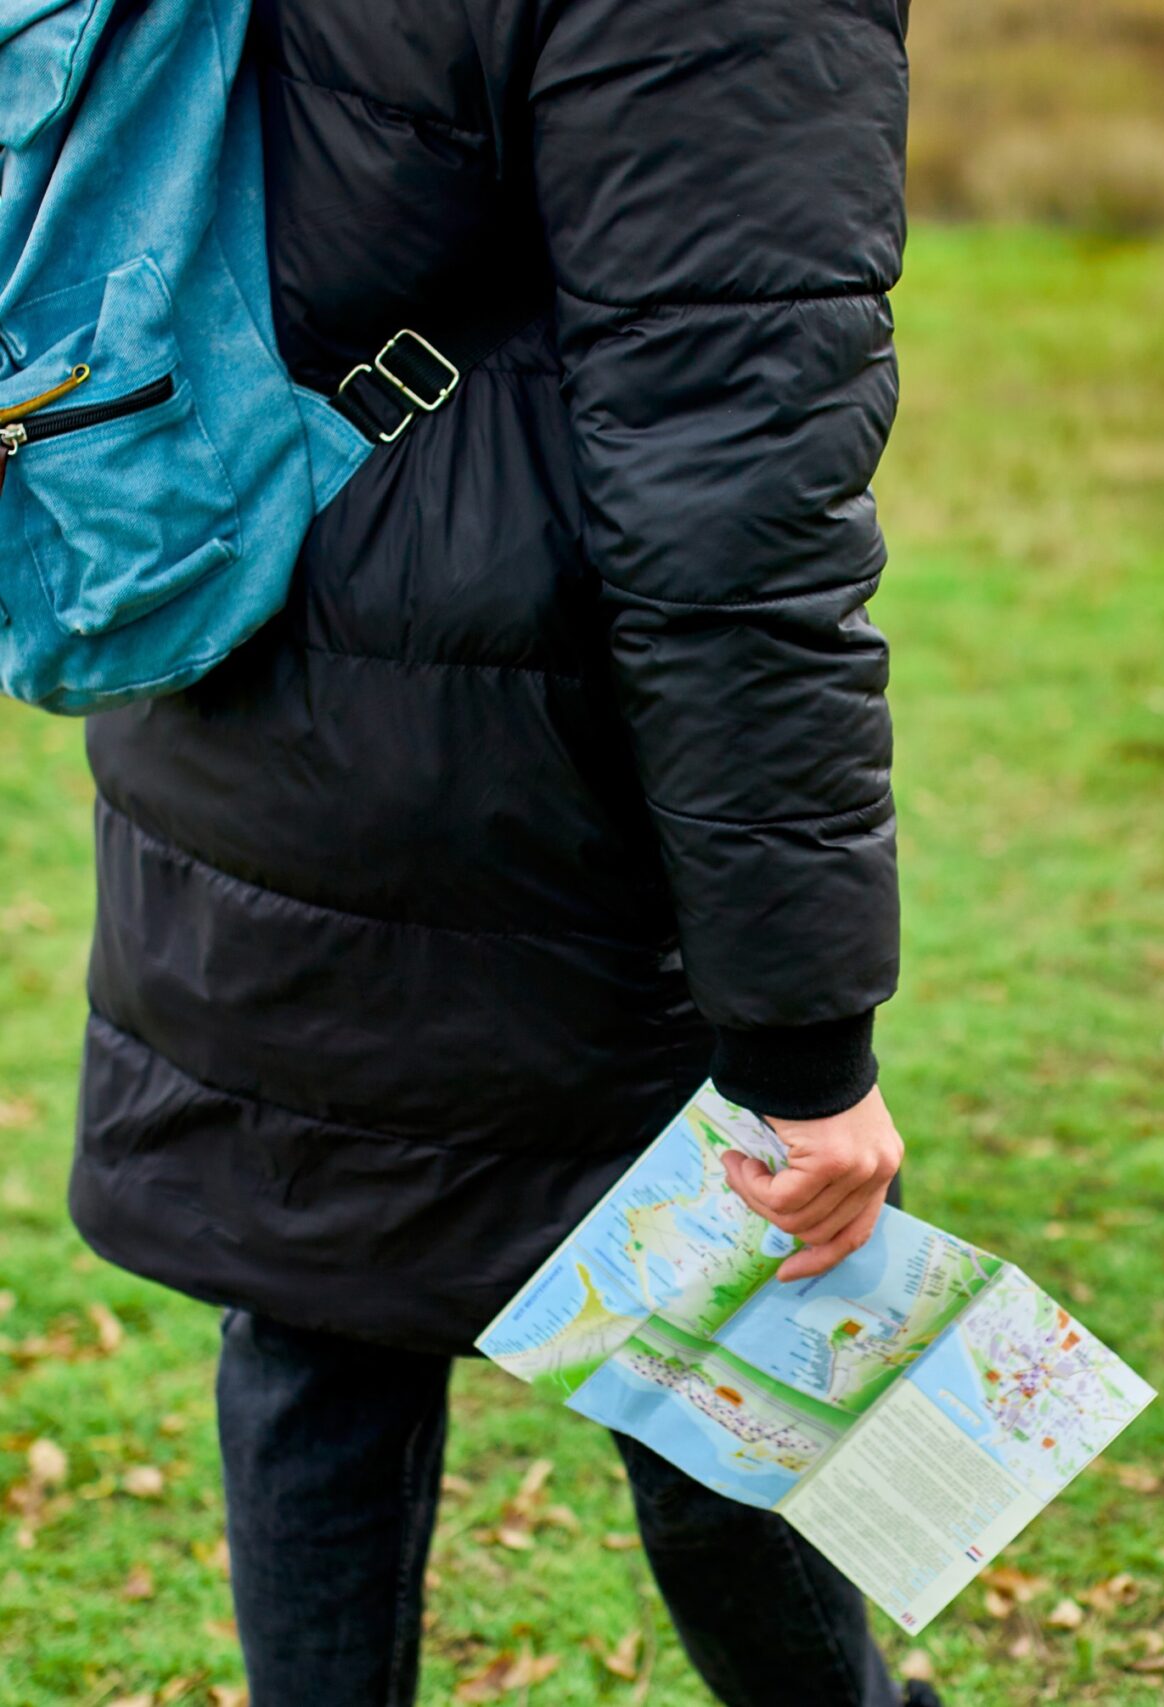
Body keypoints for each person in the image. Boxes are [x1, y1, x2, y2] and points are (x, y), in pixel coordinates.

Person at [64, 0, 930, 1701]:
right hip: (535, 749)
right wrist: (805, 1047)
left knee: (318, 1289)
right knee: (731, 1284)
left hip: (232, 607)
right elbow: (736, 517)